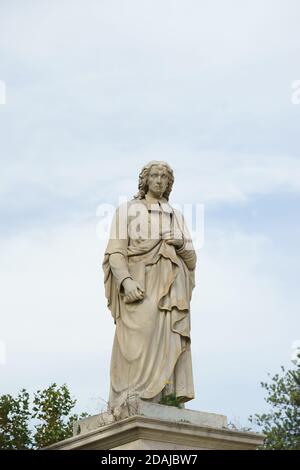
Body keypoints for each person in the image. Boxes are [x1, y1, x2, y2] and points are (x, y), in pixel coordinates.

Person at [103, 161, 197, 413]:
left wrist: (181, 243)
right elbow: (115, 253)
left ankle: (167, 397)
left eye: (164, 177)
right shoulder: (128, 211)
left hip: (172, 292)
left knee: (169, 341)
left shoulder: (177, 216)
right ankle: (131, 397)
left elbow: (191, 260)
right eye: (154, 175)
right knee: (137, 343)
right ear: (145, 180)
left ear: (169, 183)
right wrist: (126, 281)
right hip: (141, 288)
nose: (159, 180)